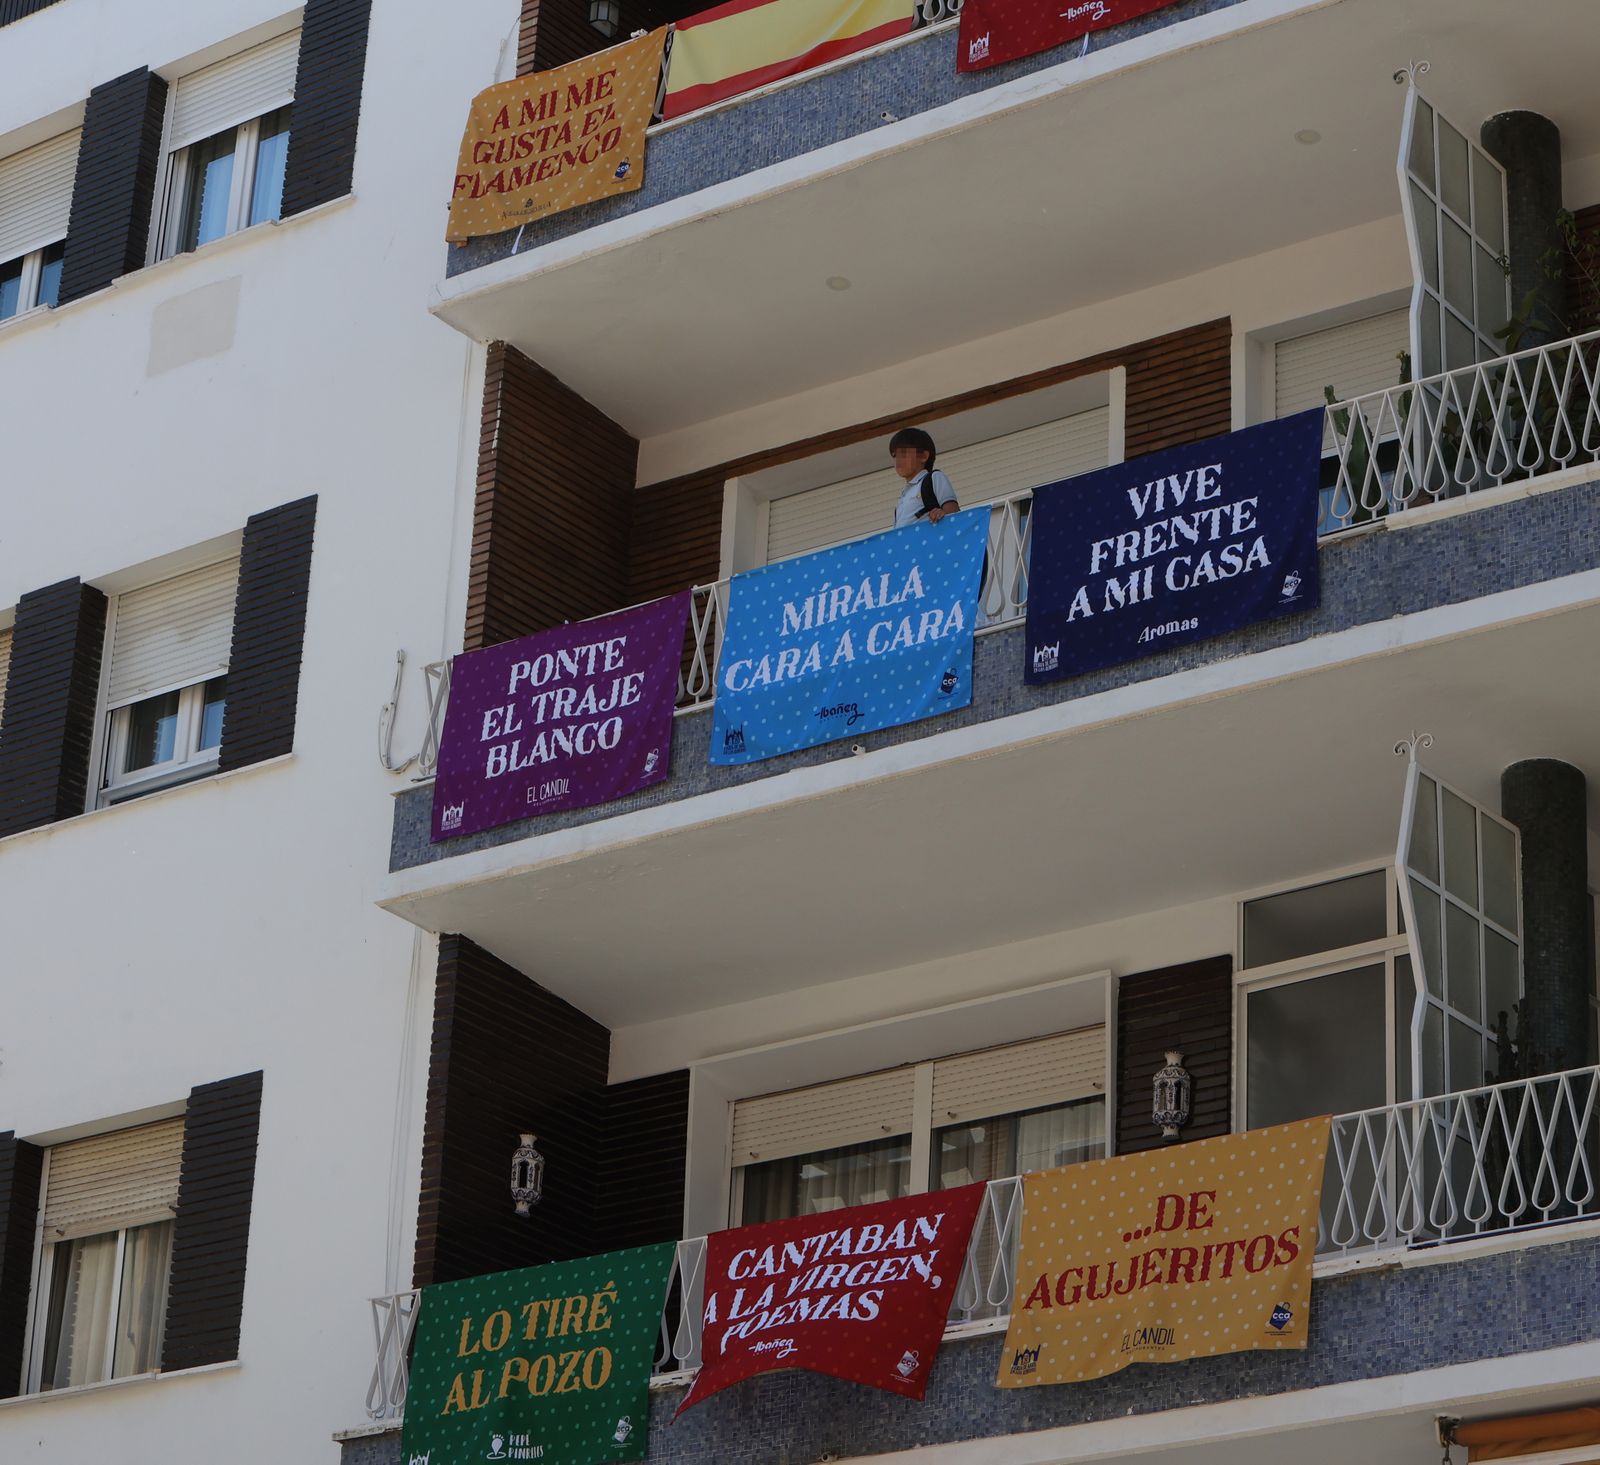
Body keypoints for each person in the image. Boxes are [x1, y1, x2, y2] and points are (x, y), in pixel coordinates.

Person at [888, 427, 959, 528]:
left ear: (924, 456)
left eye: (903, 453)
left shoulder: (934, 478)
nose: (897, 459)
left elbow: (955, 515)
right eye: (894, 455)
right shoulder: (902, 498)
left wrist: (942, 514)